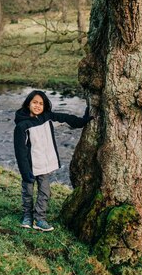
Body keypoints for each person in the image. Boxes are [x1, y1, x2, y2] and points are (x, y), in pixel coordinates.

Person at [14, 90, 93, 232]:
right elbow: (20, 152)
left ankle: (40, 219)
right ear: (28, 104)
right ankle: (27, 216)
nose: (38, 106)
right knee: (28, 192)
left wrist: (82, 121)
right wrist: (25, 172)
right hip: (30, 166)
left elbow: (65, 117)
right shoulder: (22, 126)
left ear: (45, 106)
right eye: (34, 102)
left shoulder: (47, 117)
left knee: (44, 192)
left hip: (44, 164)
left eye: (41, 103)